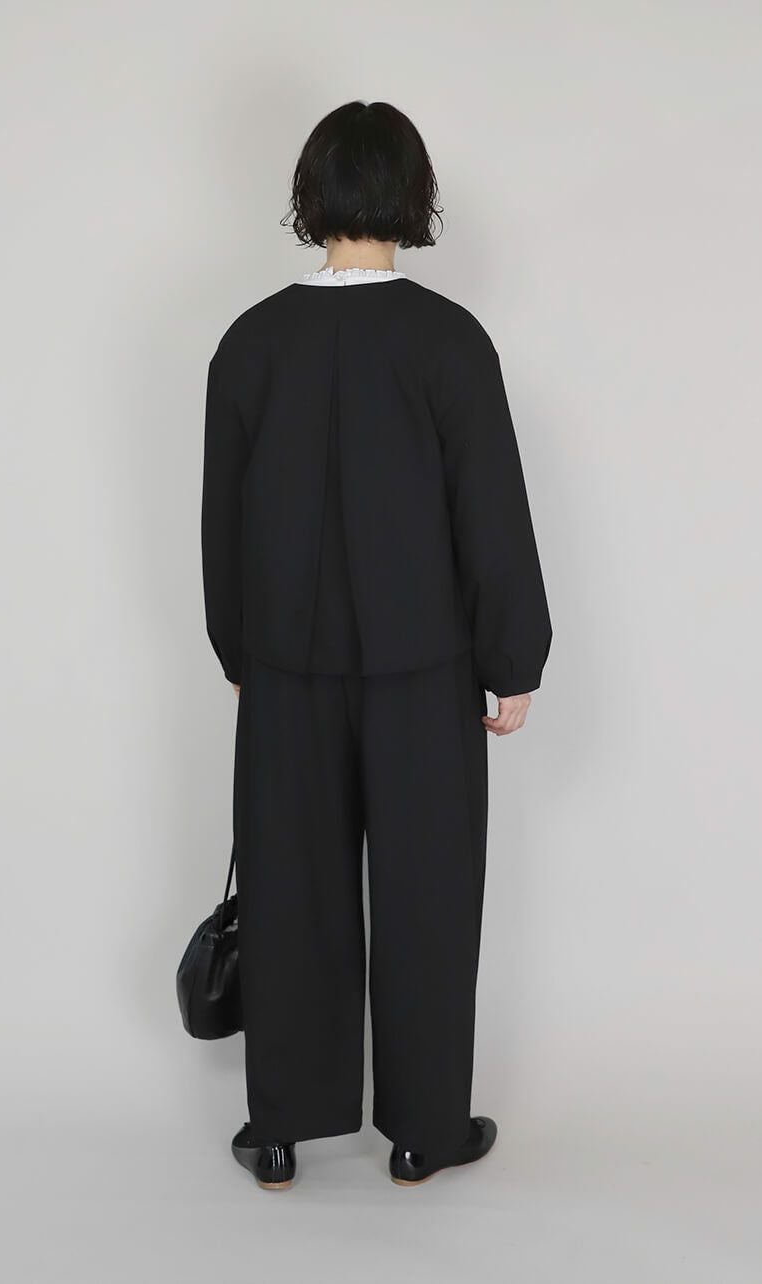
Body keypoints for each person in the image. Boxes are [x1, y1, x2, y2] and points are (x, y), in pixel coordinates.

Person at [201, 100, 552, 1190]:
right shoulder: (448, 341)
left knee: (290, 889)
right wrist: (512, 659)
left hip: (286, 669)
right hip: (423, 667)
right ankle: (422, 1130)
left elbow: (221, 520)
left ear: (310, 196)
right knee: (427, 894)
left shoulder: (252, 341)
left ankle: (280, 1128)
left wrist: (240, 654)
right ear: (411, 196)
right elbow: (489, 511)